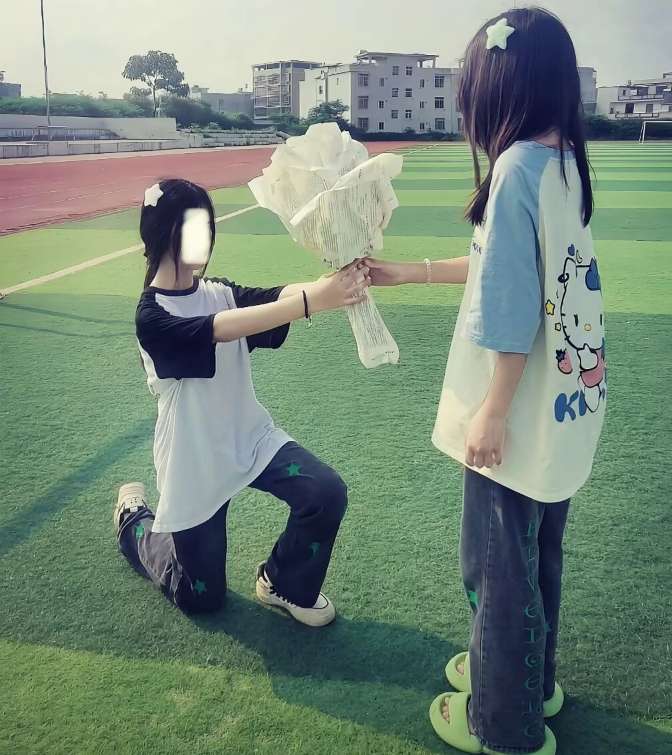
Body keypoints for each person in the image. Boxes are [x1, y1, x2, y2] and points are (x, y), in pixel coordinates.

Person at [367, 8, 606, 753]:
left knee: (497, 569)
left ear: (500, 91)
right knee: (537, 557)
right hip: (566, 406)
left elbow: (509, 307)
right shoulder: (563, 162)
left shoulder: (513, 169)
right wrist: (410, 271)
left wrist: (492, 411)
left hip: (519, 413)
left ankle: (504, 724)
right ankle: (533, 685)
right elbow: (507, 269)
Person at [114, 178, 369, 627]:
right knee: (200, 597)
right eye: (194, 227)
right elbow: (220, 328)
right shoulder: (151, 316)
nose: (205, 238)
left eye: (207, 227)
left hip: (249, 438)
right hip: (194, 461)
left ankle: (283, 583)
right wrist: (312, 300)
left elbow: (272, 299)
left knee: (325, 493)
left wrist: (334, 282)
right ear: (163, 234)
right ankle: (134, 522)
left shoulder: (218, 291)